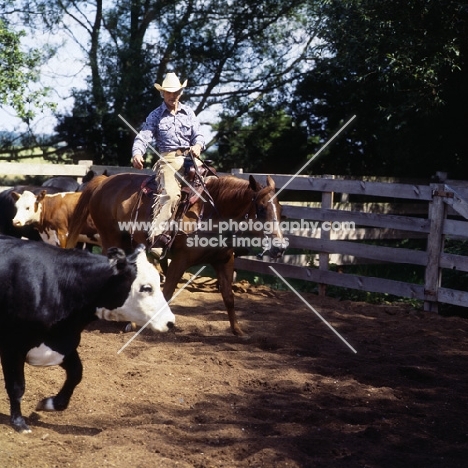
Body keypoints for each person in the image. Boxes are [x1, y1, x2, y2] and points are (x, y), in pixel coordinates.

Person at [131, 72, 205, 254]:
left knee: (214, 187)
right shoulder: (156, 115)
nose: (173, 96)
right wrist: (137, 152)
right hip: (169, 160)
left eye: (176, 92)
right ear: (162, 93)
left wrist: (197, 145)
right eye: (169, 93)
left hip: (192, 159)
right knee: (171, 194)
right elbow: (144, 136)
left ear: (181, 92)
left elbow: (199, 135)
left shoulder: (188, 112)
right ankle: (156, 237)